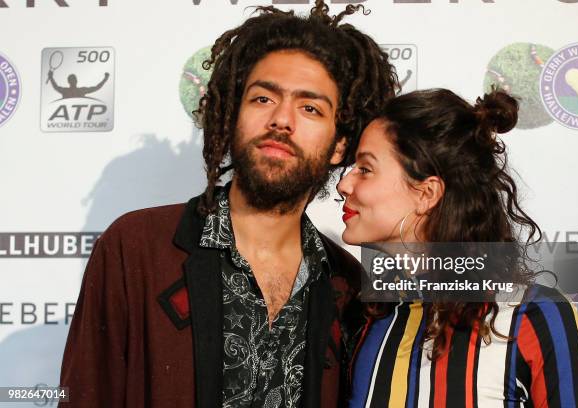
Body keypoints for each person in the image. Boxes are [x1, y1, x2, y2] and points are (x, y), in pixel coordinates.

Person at [58, 2, 398, 407]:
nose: (281, 120)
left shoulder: (347, 284)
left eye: (310, 108)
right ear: (231, 115)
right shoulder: (135, 248)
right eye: (262, 99)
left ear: (340, 143)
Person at [337, 89, 578, 407]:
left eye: (365, 169)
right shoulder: (364, 315)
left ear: (426, 193)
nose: (343, 184)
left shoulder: (536, 314)